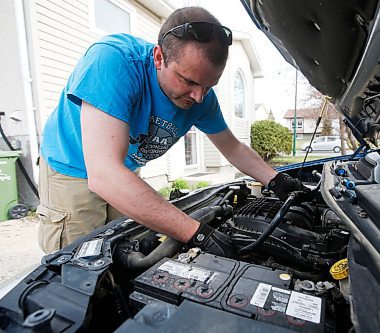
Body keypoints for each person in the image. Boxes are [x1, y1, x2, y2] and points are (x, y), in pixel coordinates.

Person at [37, 7, 308, 255]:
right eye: (188, 81)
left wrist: (276, 180)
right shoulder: (113, 61)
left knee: (121, 252)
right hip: (71, 171)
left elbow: (232, 147)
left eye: (209, 86)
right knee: (80, 262)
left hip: (124, 170)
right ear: (158, 57)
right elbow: (105, 175)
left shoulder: (200, 98)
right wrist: (197, 233)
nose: (199, 97)